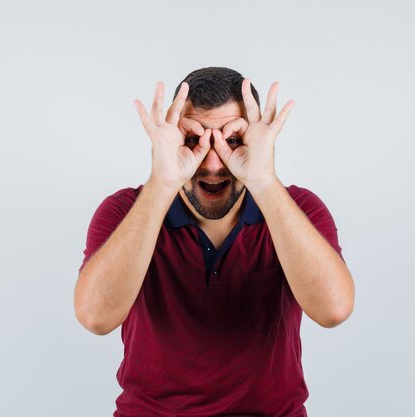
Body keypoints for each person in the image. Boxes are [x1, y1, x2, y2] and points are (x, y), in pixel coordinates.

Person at [74, 67, 355, 417]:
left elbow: (333, 311)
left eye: (232, 140)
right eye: (194, 139)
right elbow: (94, 317)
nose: (211, 162)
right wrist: (162, 181)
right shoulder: (124, 212)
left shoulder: (299, 210)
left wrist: (264, 180)